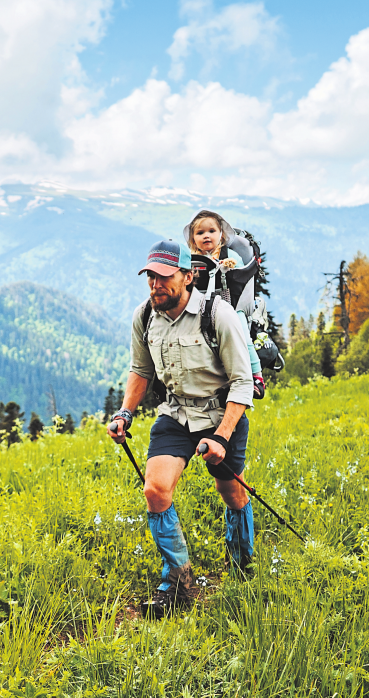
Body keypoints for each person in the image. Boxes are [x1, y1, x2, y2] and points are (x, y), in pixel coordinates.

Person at [107, 239, 256, 619]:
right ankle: (178, 580)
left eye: (164, 277)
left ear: (188, 277)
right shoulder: (144, 317)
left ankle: (243, 566)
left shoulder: (216, 315)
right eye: (150, 277)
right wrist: (125, 412)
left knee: (232, 492)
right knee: (155, 489)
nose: (155, 285)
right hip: (175, 414)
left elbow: (241, 382)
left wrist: (221, 436)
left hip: (221, 413)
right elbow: (140, 370)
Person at [184, 209, 265, 399]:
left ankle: (256, 377)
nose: (206, 236)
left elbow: (238, 269)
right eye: (200, 233)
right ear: (193, 238)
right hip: (200, 308)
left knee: (242, 336)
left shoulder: (230, 255)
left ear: (221, 234)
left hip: (230, 306)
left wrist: (226, 265)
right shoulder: (190, 260)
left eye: (211, 231)